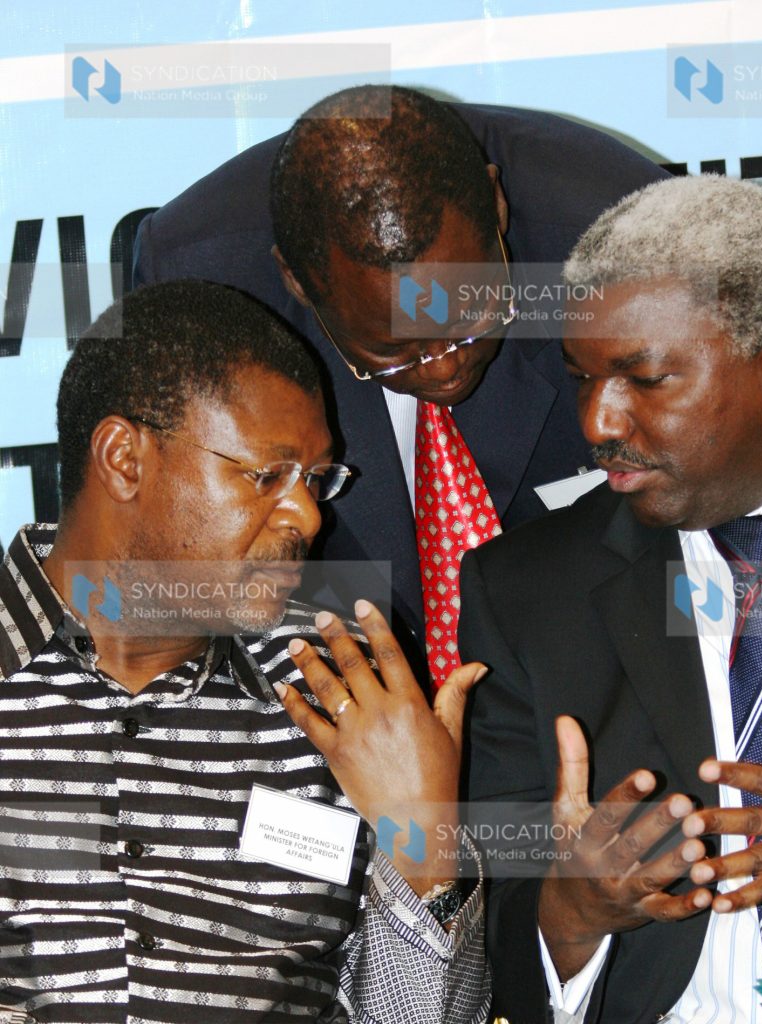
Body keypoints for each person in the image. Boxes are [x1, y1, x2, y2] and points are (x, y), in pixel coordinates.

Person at [460, 175, 762, 1023]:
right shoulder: (527, 590)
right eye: (582, 378)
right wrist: (572, 911)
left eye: (644, 379)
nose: (598, 421)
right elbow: (488, 932)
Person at [0, 279, 489, 1023]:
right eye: (268, 476)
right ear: (124, 459)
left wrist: (421, 847)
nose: (307, 514)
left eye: (316, 480)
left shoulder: (345, 688)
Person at [132, 84, 667, 687]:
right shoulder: (210, 288)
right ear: (299, 283)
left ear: (496, 210)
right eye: (391, 352)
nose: (443, 370)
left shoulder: (619, 246)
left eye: (469, 321)